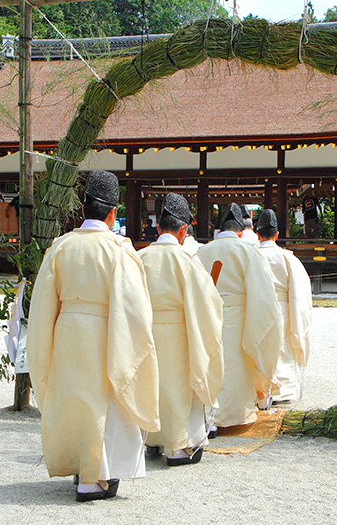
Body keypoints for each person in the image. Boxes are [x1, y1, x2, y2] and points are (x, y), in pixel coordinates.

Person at [27, 170, 160, 502]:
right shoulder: (119, 250)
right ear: (113, 212)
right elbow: (134, 309)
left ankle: (79, 466)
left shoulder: (60, 247)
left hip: (66, 332)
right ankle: (95, 478)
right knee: (104, 406)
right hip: (105, 333)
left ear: (83, 207)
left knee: (72, 401)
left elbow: (42, 305)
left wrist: (46, 343)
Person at [138, 194, 223, 465]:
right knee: (178, 389)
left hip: (145, 332)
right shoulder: (188, 262)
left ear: (159, 227)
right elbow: (208, 305)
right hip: (178, 335)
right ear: (184, 230)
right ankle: (179, 447)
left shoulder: (139, 257)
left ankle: (151, 438)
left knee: (150, 384)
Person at [197, 203, 282, 427]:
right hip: (238, 318)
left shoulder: (202, 252)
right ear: (239, 230)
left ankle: (207, 418)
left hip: (207, 317)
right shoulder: (248, 251)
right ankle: (232, 415)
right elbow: (263, 296)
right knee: (234, 366)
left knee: (209, 364)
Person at [255, 209, 313, 404]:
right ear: (277, 234)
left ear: (257, 234)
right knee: (283, 348)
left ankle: (260, 392)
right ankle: (285, 391)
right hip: (283, 308)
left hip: (257, 307)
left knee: (259, 349)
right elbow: (300, 291)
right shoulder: (287, 258)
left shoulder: (251, 255)